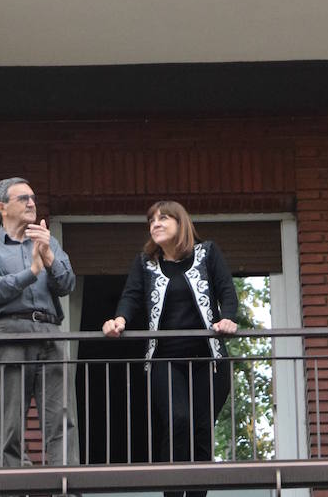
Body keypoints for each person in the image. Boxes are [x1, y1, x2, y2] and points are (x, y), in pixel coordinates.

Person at [102, 200, 238, 497]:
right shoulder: (145, 263)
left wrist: (228, 318)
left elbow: (227, 290)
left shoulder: (208, 253)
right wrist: (119, 320)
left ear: (182, 223)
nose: (156, 224)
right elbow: (131, 296)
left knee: (202, 431)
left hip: (209, 360)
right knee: (178, 421)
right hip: (165, 359)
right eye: (152, 220)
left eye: (164, 218)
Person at [0, 177, 80, 470]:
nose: (32, 202)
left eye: (33, 197)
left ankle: (67, 487)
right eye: (23, 198)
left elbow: (67, 284)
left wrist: (49, 257)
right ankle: (13, 487)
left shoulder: (48, 240)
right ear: (2, 207)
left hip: (49, 332)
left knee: (62, 418)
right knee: (11, 423)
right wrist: (32, 271)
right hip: (8, 334)